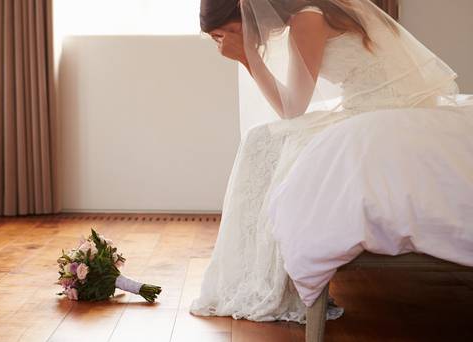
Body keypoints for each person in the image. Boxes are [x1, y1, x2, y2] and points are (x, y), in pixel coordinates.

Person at [191, 0, 468, 322]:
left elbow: (292, 109)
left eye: (234, 31)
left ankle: (271, 280)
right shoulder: (315, 11)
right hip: (372, 107)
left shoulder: (307, 19)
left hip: (377, 113)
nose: (242, 38)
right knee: (264, 138)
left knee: (264, 140)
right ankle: (264, 272)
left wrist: (247, 58)